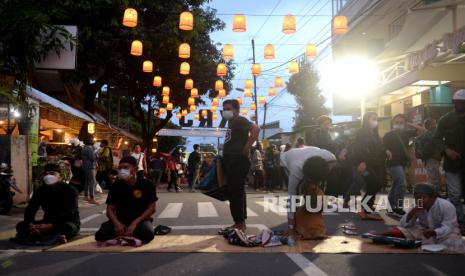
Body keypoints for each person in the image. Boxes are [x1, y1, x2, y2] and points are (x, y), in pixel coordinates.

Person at [377, 183, 465, 253]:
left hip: (445, 233)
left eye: (423, 197)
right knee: (405, 231)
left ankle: (424, 243)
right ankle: (379, 236)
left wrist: (434, 232)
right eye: (416, 198)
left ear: (433, 197)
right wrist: (412, 212)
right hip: (424, 230)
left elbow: (448, 227)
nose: (419, 200)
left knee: (454, 244)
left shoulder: (446, 206)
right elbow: (403, 225)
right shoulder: (416, 205)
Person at [95, 156, 157, 244]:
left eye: (125, 167)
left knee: (147, 234)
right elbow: (110, 209)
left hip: (140, 221)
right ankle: (127, 236)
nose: (122, 170)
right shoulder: (115, 186)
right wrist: (116, 223)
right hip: (120, 221)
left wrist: (135, 223)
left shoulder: (147, 184)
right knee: (100, 235)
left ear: (135, 169)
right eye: (120, 168)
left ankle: (124, 236)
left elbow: (152, 208)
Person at [280, 146, 336, 240]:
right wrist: (291, 228)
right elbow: (292, 200)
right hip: (286, 161)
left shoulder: (331, 159)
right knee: (296, 198)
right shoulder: (295, 171)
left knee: (314, 197)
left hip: (307, 157)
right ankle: (295, 226)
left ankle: (310, 223)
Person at [221, 99, 260, 231]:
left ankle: (239, 223)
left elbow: (255, 128)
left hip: (237, 160)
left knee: (235, 192)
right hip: (232, 160)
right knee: (236, 192)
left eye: (228, 108)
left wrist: (247, 147)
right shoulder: (232, 123)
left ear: (236, 110)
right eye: (224, 109)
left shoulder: (239, 120)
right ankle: (239, 222)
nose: (225, 111)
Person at [16, 164, 80, 243]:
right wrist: (31, 224)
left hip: (66, 221)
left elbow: (69, 212)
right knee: (21, 226)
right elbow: (31, 209)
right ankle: (41, 233)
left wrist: (51, 226)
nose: (48, 176)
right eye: (46, 174)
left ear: (60, 176)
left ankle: (45, 234)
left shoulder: (70, 190)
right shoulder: (40, 191)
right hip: (47, 221)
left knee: (69, 228)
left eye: (52, 173)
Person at [434, 89, 465, 229]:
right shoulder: (445, 120)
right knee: (455, 194)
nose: (460, 106)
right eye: (457, 103)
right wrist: (447, 150)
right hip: (453, 164)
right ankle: (459, 222)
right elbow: (437, 139)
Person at [383, 114, 424, 216]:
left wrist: (409, 124)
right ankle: (398, 207)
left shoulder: (406, 133)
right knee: (401, 183)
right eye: (396, 122)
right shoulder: (388, 134)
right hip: (392, 162)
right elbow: (383, 147)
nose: (398, 124)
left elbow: (422, 130)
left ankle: (391, 207)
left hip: (402, 162)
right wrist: (387, 151)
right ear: (393, 123)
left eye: (401, 122)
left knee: (396, 183)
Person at [349, 112, 386, 219]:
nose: (375, 121)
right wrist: (362, 161)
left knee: (372, 185)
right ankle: (364, 209)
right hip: (363, 165)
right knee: (375, 184)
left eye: (376, 119)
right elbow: (358, 148)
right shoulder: (361, 132)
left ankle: (368, 209)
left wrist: (386, 151)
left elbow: (378, 148)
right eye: (372, 119)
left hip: (373, 164)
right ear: (366, 120)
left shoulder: (374, 133)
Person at [295, 156, 330, 240]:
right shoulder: (309, 185)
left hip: (306, 215)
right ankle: (313, 232)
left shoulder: (309, 183)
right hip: (309, 212)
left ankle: (311, 232)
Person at [418, 119, 442, 191]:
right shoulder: (432, 133)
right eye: (434, 123)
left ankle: (433, 194)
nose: (436, 124)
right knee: (433, 178)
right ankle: (433, 195)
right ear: (430, 125)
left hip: (429, 158)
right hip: (433, 158)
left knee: (433, 177)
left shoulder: (426, 133)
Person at [81, 135, 99, 205]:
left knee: (87, 181)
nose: (93, 140)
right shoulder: (88, 148)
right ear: (89, 140)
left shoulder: (85, 147)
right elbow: (94, 158)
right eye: (92, 139)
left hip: (87, 166)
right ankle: (92, 198)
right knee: (92, 182)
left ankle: (86, 196)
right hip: (90, 167)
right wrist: (96, 151)